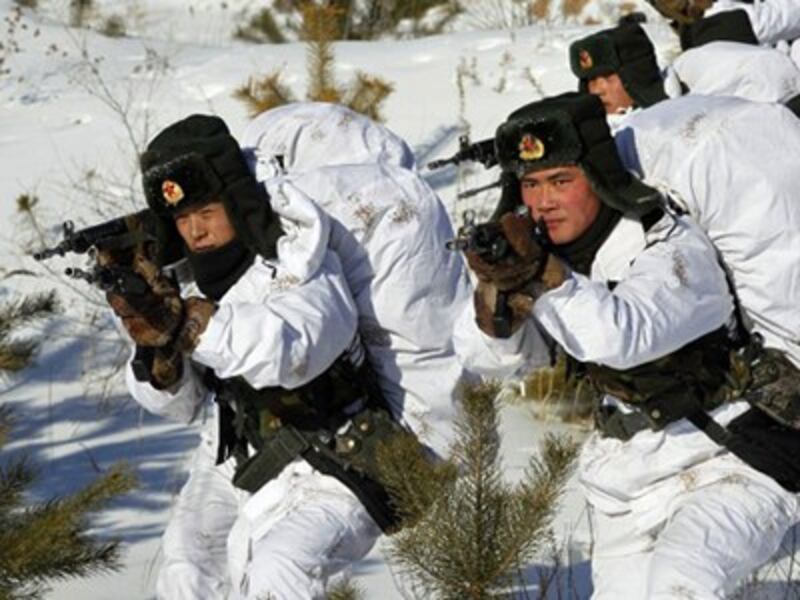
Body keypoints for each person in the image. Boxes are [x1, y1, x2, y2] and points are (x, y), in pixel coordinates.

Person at [107, 110, 470, 599]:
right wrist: (158, 359)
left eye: (207, 212)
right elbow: (185, 405)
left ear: (236, 204)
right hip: (238, 450)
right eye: (183, 219)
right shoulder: (187, 283)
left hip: (336, 453)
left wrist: (192, 327)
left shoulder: (300, 258)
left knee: (279, 568)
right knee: (185, 566)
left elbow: (296, 346)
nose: (196, 231)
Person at [454, 92, 799, 598]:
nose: (543, 201)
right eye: (529, 184)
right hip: (624, 479)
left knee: (681, 583)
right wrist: (497, 295)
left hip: (730, 456)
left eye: (560, 181)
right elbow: (482, 358)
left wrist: (543, 280)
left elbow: (621, 334)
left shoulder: (671, 244)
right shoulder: (546, 257)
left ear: (597, 175)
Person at [568, 21, 800, 121]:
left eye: (608, 77)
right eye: (589, 81)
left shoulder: (700, 73)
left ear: (634, 75)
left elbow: (774, 73)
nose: (597, 90)